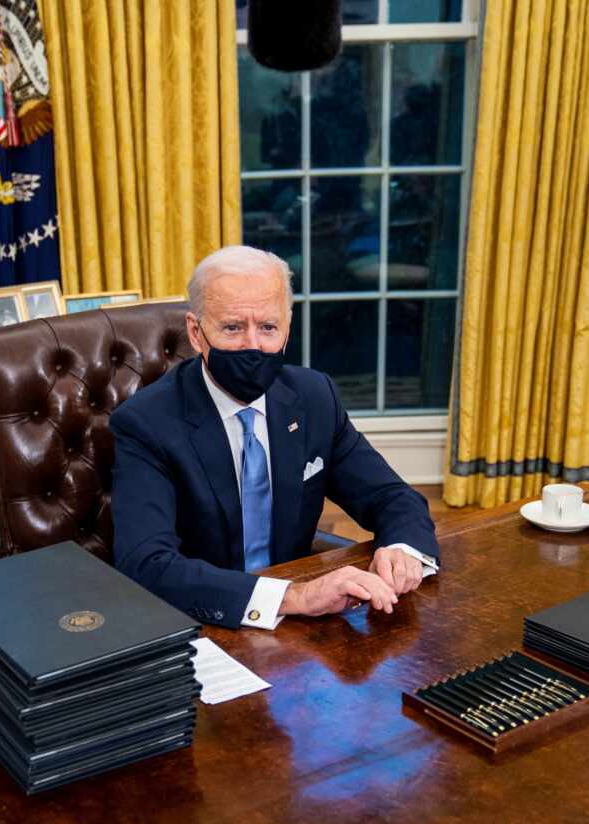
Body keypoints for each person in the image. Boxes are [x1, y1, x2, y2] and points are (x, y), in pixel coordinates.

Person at [110, 245, 438, 628]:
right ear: (196, 333)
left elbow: (390, 496)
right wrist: (294, 597)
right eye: (233, 327)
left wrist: (402, 548)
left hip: (303, 627)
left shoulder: (314, 397)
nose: (253, 345)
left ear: (287, 328)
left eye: (268, 327)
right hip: (206, 621)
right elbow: (146, 565)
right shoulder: (145, 423)